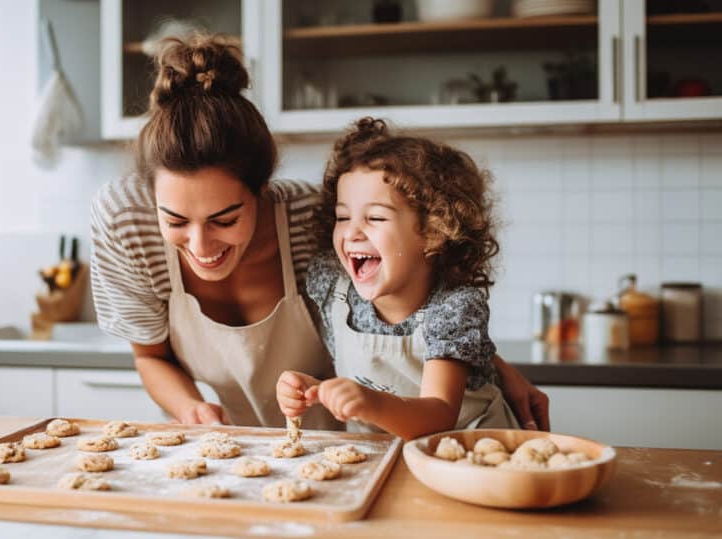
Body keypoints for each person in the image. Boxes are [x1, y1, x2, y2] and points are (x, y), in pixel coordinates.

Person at [89, 34, 550, 431]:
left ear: (263, 191)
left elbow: (424, 297)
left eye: (225, 220)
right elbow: (151, 355)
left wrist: (490, 365)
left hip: (349, 443)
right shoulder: (126, 222)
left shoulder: (317, 221)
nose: (201, 245)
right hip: (248, 445)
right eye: (175, 221)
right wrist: (191, 409)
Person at [277, 118, 519, 439]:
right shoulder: (332, 286)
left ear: (434, 232)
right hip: (389, 458)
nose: (351, 232)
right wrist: (316, 392)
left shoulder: (452, 309)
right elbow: (363, 392)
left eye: (375, 217)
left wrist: (370, 403)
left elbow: (439, 416)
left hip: (472, 458)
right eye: (343, 217)